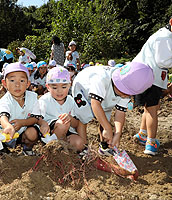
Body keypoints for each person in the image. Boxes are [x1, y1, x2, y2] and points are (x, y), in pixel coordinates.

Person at [71, 62, 154, 156]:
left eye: (128, 94)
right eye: (123, 91)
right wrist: (107, 128)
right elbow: (95, 103)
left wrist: (117, 133)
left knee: (105, 118)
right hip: (83, 89)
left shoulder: (126, 91)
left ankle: (104, 147)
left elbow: (120, 113)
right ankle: (82, 148)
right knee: (83, 117)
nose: (124, 95)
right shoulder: (101, 79)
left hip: (104, 96)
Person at [132, 18, 172, 155]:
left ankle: (143, 134)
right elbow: (163, 60)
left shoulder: (164, 35)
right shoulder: (164, 37)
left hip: (147, 75)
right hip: (149, 75)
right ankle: (151, 142)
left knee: (149, 107)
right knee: (152, 109)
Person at [0, 63, 41, 155]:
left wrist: (22, 123)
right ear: (4, 83)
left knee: (33, 133)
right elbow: (3, 116)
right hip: (6, 132)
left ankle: (27, 148)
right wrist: (8, 126)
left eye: (22, 81)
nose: (17, 85)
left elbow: (35, 118)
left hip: (23, 131)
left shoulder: (33, 97)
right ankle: (2, 150)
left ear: (28, 84)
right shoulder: (4, 100)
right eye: (12, 80)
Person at [38, 67, 86, 153]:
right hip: (49, 132)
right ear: (48, 87)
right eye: (55, 88)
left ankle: (63, 147)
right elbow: (37, 118)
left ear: (69, 85)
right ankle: (53, 147)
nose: (59, 91)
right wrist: (43, 124)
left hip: (67, 132)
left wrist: (70, 118)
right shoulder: (44, 100)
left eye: (64, 87)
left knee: (79, 143)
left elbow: (76, 124)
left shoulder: (71, 101)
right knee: (62, 123)